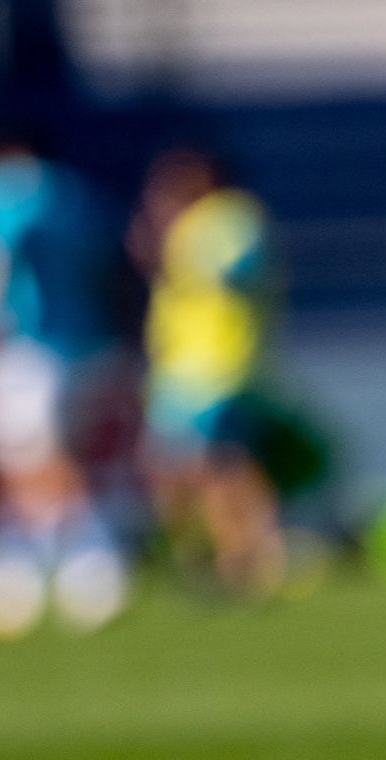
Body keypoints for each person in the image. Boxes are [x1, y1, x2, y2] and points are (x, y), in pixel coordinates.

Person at [0, 128, 128, 637]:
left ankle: (93, 560)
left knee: (31, 457)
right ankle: (13, 570)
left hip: (22, 344)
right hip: (81, 342)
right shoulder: (79, 194)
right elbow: (111, 267)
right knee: (30, 458)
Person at [128, 146, 285, 596]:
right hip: (181, 367)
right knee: (181, 467)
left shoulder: (229, 216)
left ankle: (245, 555)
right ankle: (212, 553)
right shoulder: (190, 223)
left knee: (216, 463)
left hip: (218, 365)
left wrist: (166, 240)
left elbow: (239, 272)